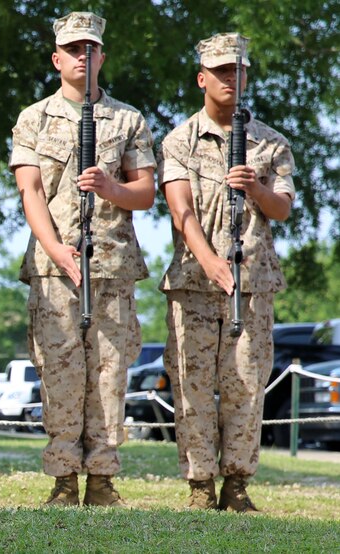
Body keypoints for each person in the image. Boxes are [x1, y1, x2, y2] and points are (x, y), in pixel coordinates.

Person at [10, 11, 156, 507]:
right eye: (73, 48)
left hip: (112, 266)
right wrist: (55, 250)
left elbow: (146, 192)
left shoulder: (128, 119)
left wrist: (112, 187)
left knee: (110, 374)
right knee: (59, 371)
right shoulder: (33, 118)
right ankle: (64, 479)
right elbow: (29, 191)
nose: (82, 56)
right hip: (55, 268)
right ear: (57, 58)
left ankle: (102, 480)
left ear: (102, 57)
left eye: (90, 48)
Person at [159, 33, 294, 513]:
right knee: (192, 383)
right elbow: (181, 210)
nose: (230, 80)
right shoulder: (178, 140)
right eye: (220, 72)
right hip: (194, 282)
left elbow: (281, 209)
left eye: (237, 71)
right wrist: (211, 262)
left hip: (253, 281)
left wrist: (256, 188)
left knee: (246, 382)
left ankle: (236, 485)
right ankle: (200, 486)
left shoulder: (271, 143)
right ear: (202, 78)